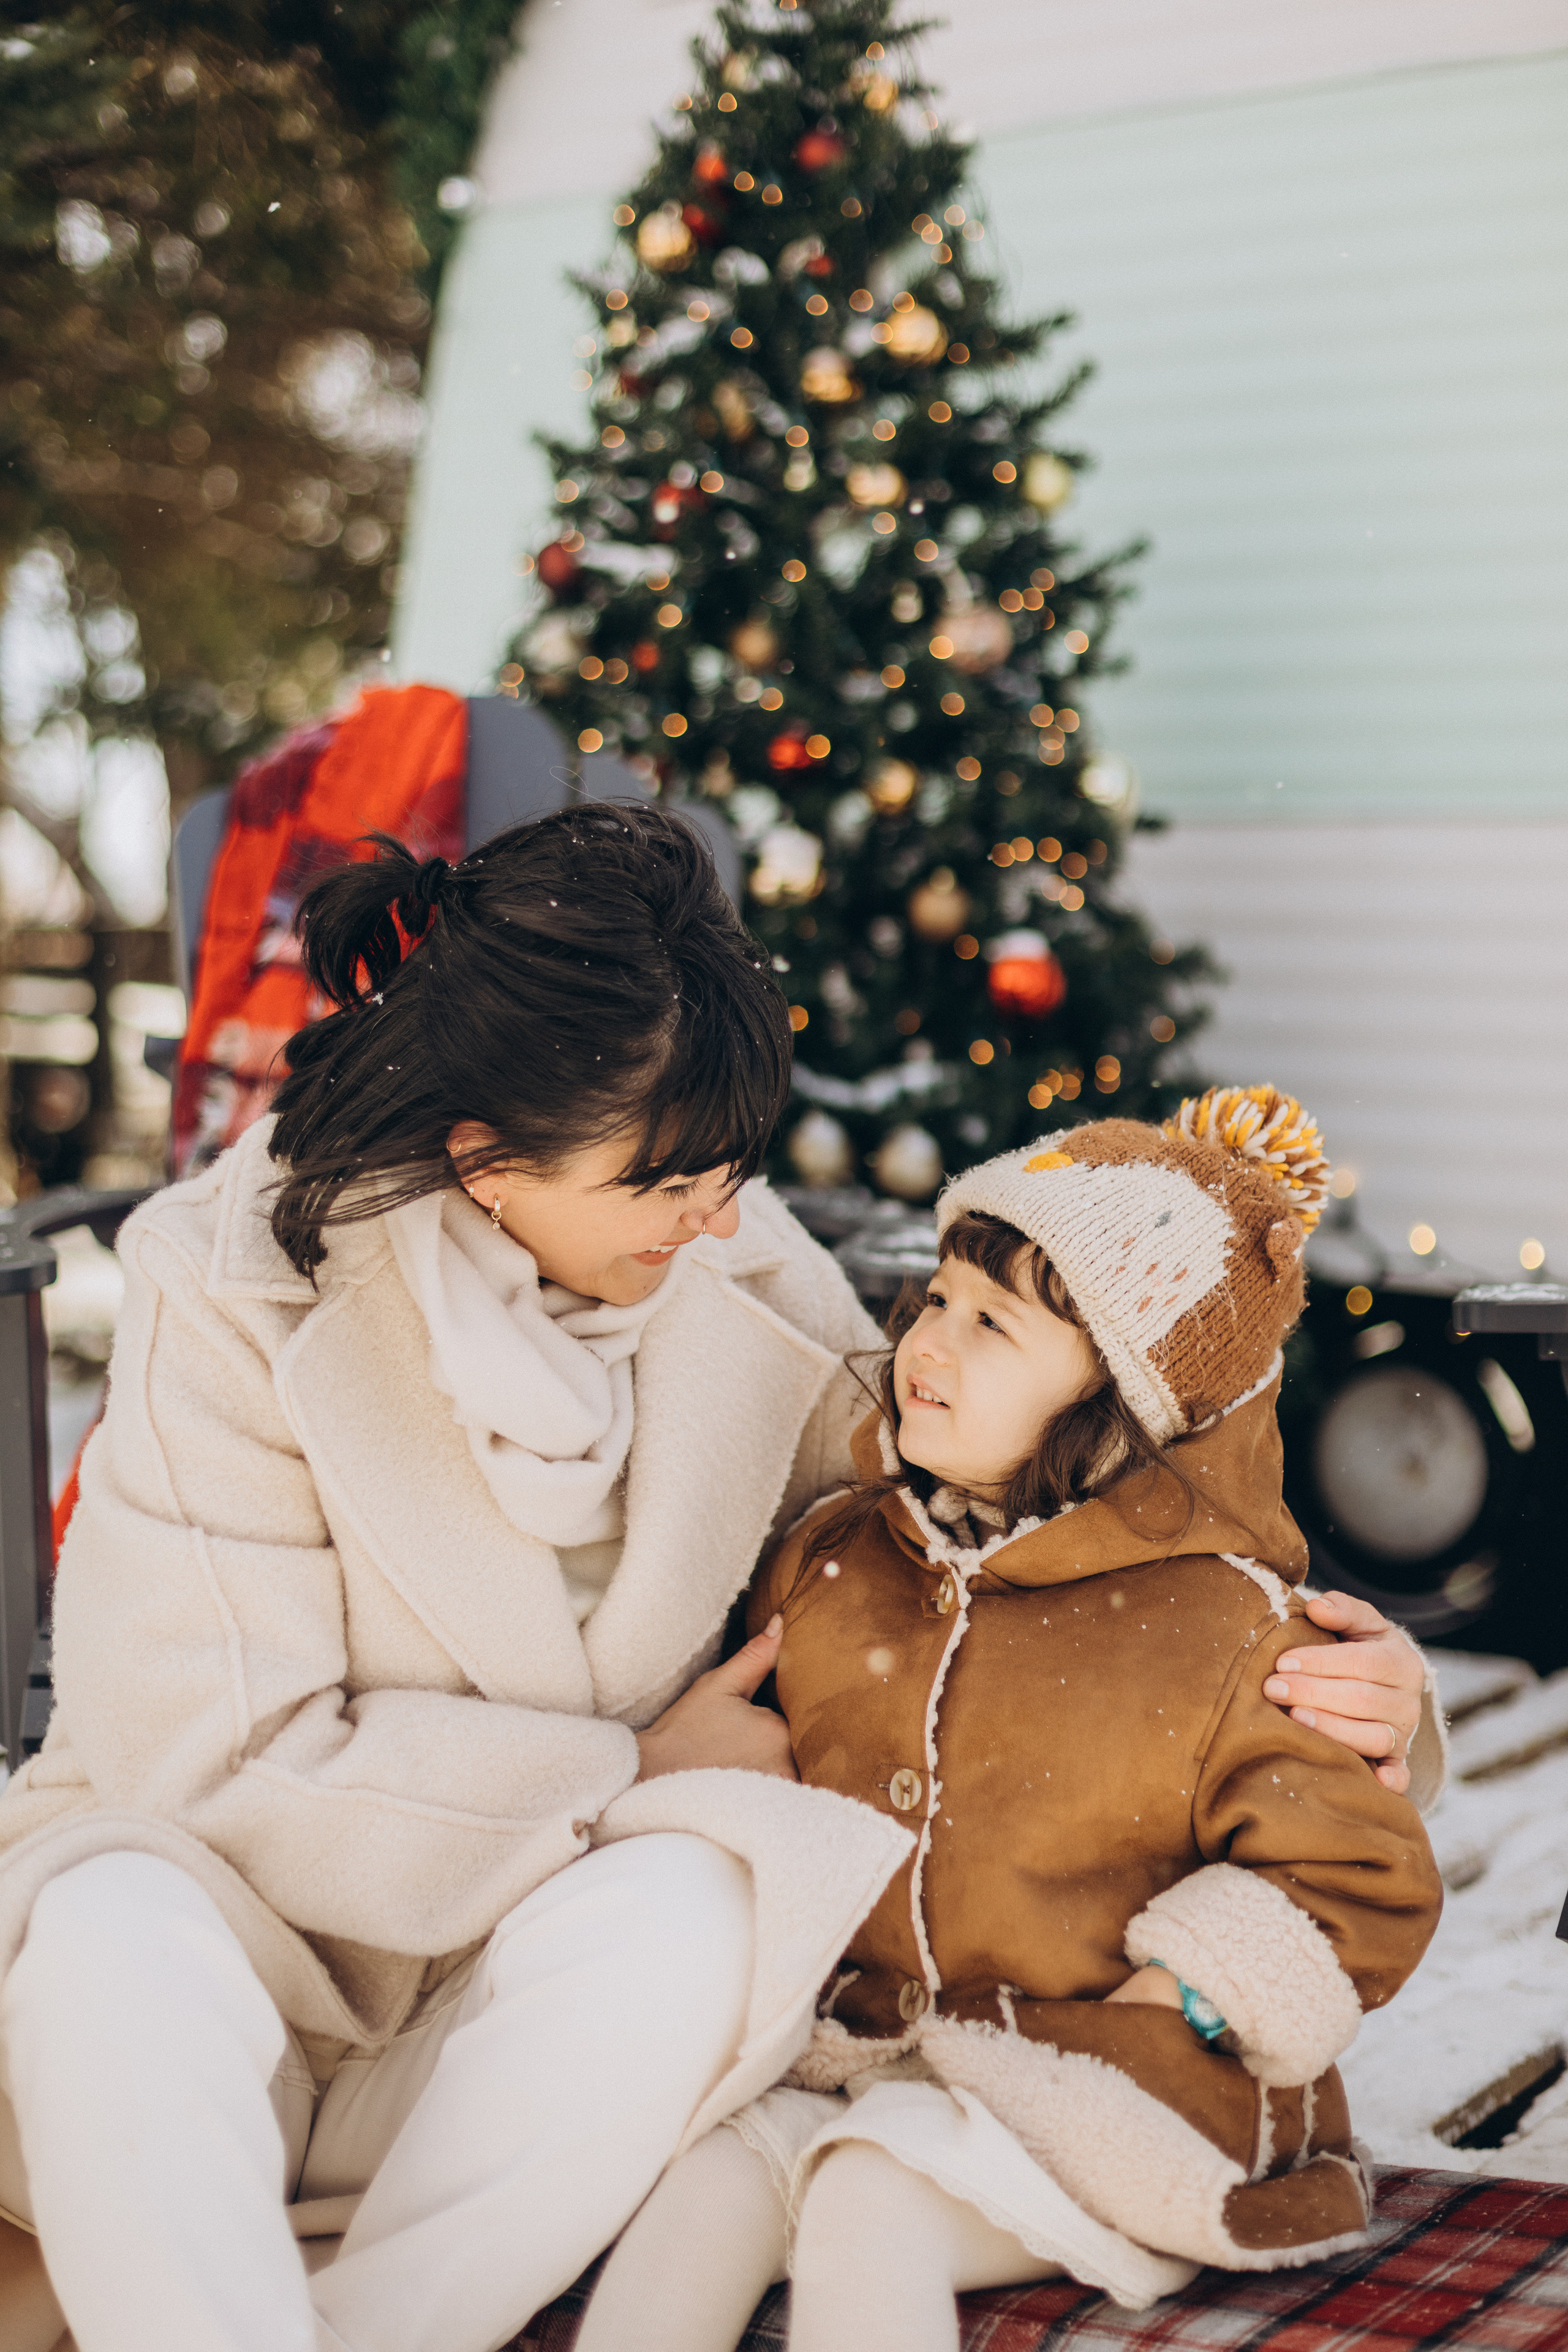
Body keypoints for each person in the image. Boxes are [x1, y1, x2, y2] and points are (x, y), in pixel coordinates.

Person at [0, 811, 1431, 2352]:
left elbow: (1016, 1539)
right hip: (233, 1981)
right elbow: (211, 1764)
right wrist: (617, 1775)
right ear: (487, 1159)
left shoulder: (733, 1289)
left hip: (512, 2034)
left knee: (704, 1893)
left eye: (735, 1169)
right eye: (670, 1183)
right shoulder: (228, 1290)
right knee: (110, 1927)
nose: (725, 1219)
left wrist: (1343, 1694)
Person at [576, 1090, 1445, 2352]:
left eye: (995, 1325)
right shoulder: (838, 1562)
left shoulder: (1222, 1626)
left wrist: (1188, 1997)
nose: (930, 1341)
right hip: (875, 2056)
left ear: (1123, 1400)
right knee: (711, 2181)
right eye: (934, 1299)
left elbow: (1355, 1869)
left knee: (866, 2194)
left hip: (1115, 2092)